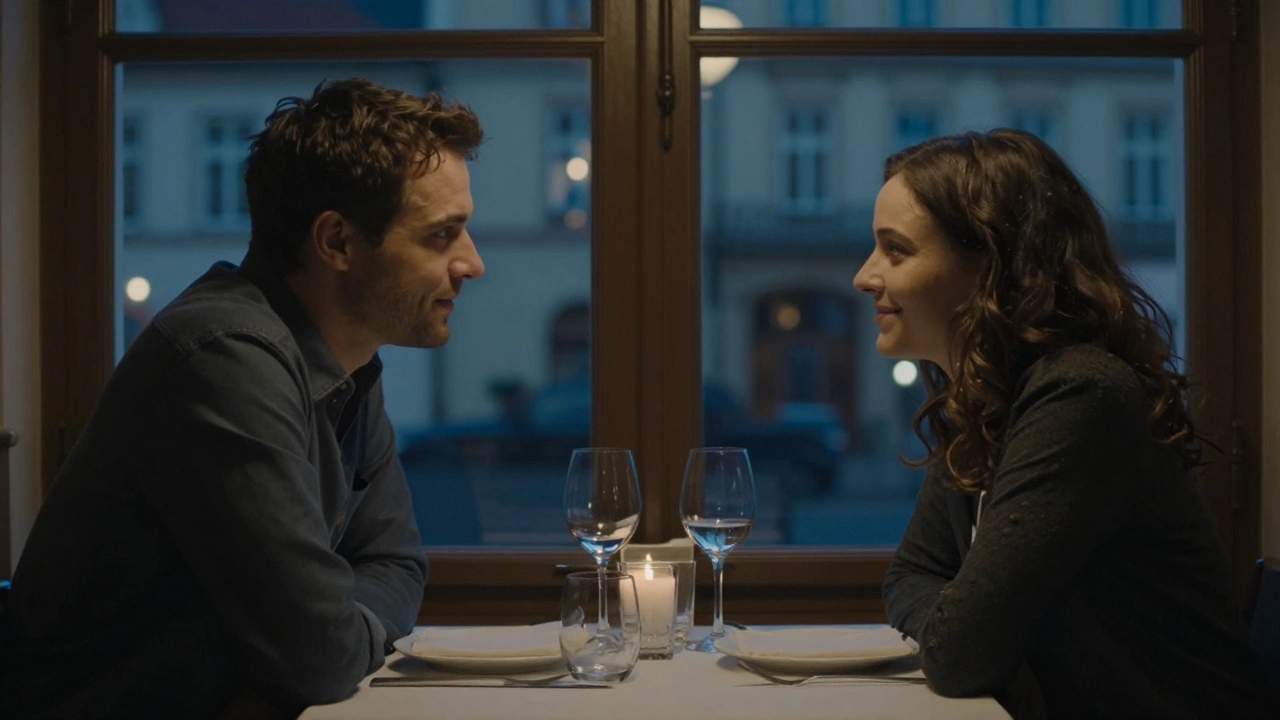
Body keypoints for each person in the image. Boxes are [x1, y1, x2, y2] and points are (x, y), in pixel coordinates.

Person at [0, 78, 485, 719]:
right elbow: (318, 656)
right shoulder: (225, 357)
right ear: (336, 242)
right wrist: (337, 634)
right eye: (441, 235)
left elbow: (395, 563)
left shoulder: (347, 360)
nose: (472, 263)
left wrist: (339, 628)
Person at [854, 129, 1273, 719]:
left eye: (895, 250)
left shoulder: (1079, 393)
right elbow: (911, 574)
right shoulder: (988, 397)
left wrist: (956, 626)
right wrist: (953, 622)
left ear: (989, 264)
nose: (864, 276)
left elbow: (960, 655)